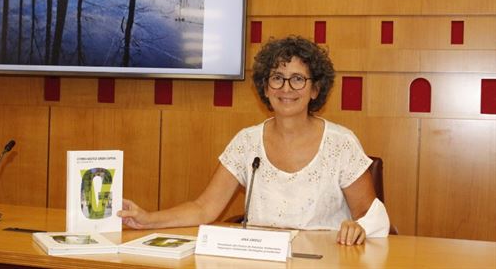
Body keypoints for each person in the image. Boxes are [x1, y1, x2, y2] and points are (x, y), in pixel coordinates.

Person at [118, 36, 390, 246]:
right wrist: (146, 218)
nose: (286, 88)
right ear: (265, 87)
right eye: (277, 78)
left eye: (297, 79)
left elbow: (369, 215)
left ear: (315, 89)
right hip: (260, 259)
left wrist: (361, 227)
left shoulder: (340, 143)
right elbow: (204, 208)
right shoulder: (246, 142)